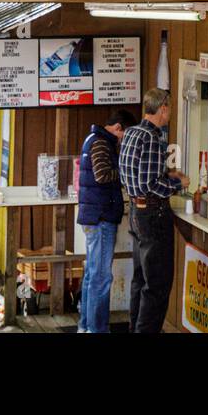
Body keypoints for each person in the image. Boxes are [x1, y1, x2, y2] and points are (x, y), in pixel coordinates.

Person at [118, 88, 188, 334]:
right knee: (157, 284)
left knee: (140, 278)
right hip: (153, 214)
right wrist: (178, 183)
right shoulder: (151, 138)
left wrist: (167, 175)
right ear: (163, 108)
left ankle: (135, 328)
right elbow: (150, 185)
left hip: (135, 211)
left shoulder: (131, 133)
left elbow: (134, 175)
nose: (170, 113)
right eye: (170, 109)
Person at [76, 109, 137, 333]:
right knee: (101, 278)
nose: (124, 140)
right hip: (101, 217)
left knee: (92, 276)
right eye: (125, 134)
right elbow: (102, 175)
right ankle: (97, 329)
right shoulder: (101, 143)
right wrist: (126, 171)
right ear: (118, 127)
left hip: (94, 215)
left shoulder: (93, 138)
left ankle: (85, 326)